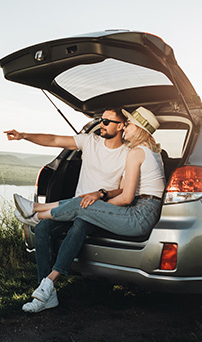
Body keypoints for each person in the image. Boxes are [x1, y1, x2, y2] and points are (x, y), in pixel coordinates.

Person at [14, 107, 165, 313]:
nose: (101, 124)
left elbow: (125, 193)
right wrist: (24, 136)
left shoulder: (132, 153)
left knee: (81, 214)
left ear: (126, 127)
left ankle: (36, 214)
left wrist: (99, 201)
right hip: (87, 205)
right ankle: (47, 291)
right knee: (46, 227)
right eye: (101, 120)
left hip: (123, 210)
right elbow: (54, 140)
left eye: (107, 121)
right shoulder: (96, 143)